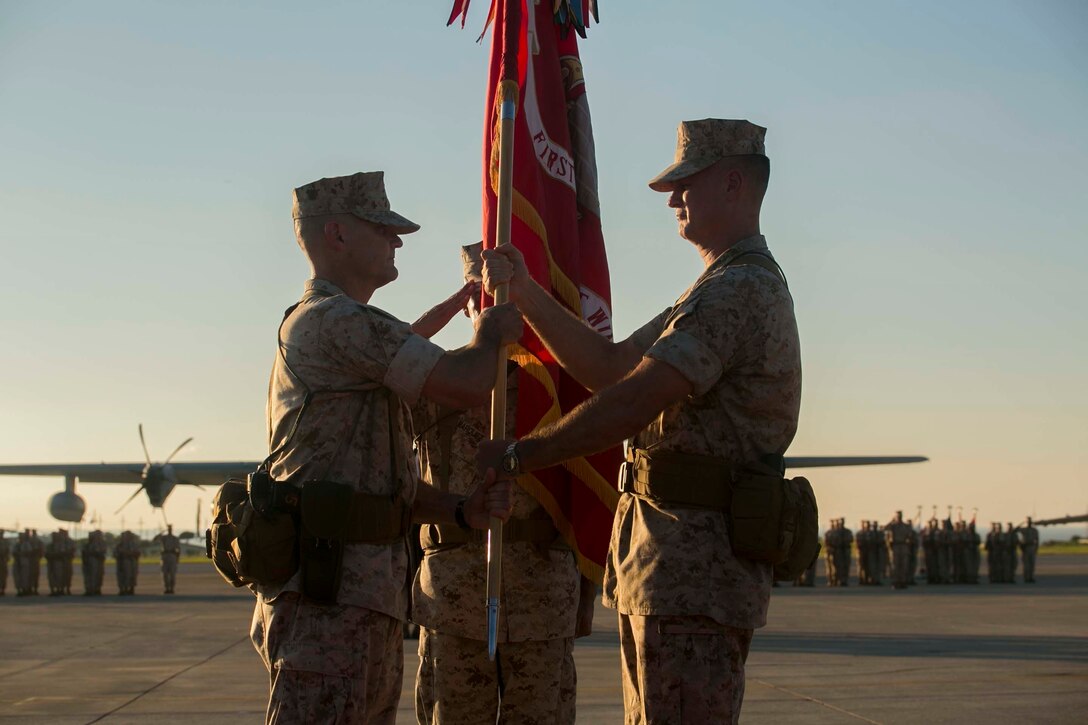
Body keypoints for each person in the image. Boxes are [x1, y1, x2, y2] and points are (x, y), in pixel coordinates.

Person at [478, 119, 800, 723]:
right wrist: (523, 291)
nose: (673, 199)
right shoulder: (712, 288)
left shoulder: (739, 290)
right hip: (670, 569)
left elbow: (634, 400)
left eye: (686, 184)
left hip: (693, 576)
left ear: (733, 183)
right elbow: (612, 367)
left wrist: (521, 456)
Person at [249, 171, 520, 724]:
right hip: (327, 605)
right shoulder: (334, 321)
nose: (397, 241)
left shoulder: (344, 327)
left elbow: (376, 488)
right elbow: (466, 383)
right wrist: (490, 331)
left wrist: (458, 509)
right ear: (337, 235)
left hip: (361, 598)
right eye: (383, 229)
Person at [410, 243, 589, 724]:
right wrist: (448, 310)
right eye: (487, 298)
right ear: (471, 301)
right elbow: (372, 382)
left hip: (542, 600)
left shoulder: (558, 385)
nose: (499, 309)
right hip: (454, 599)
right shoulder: (435, 379)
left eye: (509, 297)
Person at [884, 511, 913, 589]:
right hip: (895, 547)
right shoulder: (893, 526)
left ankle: (903, 581)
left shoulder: (905, 526)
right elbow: (884, 528)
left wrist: (908, 542)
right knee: (895, 565)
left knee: (903, 565)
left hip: (903, 546)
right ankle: (896, 582)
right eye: (897, 516)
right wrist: (891, 521)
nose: (899, 517)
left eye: (900, 516)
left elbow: (910, 535)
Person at [154, 524, 181, 594]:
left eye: (170, 529)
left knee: (172, 574)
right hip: (165, 556)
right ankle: (166, 588)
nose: (169, 530)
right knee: (164, 574)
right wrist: (163, 531)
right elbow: (155, 539)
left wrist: (177, 559)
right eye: (168, 529)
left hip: (172, 556)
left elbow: (178, 550)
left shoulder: (175, 538)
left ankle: (171, 588)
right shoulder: (164, 538)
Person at [115, 530, 141, 595]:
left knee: (132, 575)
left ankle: (131, 588)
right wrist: (121, 554)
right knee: (121, 576)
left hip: (131, 562)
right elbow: (115, 553)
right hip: (122, 562)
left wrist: (131, 554)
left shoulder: (134, 544)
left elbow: (138, 553)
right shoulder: (119, 545)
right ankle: (123, 589)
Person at [82, 530, 107, 596]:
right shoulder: (87, 545)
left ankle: (97, 589)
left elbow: (102, 553)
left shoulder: (101, 544)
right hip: (89, 563)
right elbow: (84, 553)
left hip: (97, 563)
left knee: (98, 576)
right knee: (89, 577)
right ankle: (89, 589)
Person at [1019, 517, 1039, 583]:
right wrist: (1022, 523)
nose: (1029, 523)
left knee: (1032, 564)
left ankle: (1031, 577)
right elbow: (1015, 530)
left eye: (1030, 522)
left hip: (1032, 548)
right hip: (1025, 548)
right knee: (1026, 565)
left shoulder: (1034, 530)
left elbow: (1037, 540)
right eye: (1028, 522)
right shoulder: (1023, 529)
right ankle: (1026, 578)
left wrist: (1036, 549)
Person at [0, 529, 9, 596]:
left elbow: (7, 552)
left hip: (3, 561)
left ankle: (2, 589)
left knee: (3, 576)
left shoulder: (5, 542)